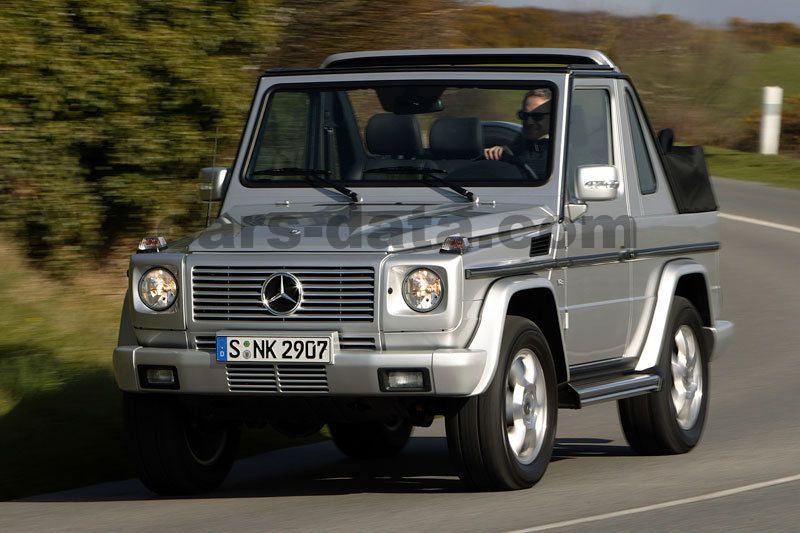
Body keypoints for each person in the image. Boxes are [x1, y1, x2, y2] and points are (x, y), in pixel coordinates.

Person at [484, 88, 552, 178]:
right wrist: (499, 152)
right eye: (524, 115)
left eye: (537, 116)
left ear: (554, 116)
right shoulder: (518, 145)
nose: (528, 121)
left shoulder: (563, 151)